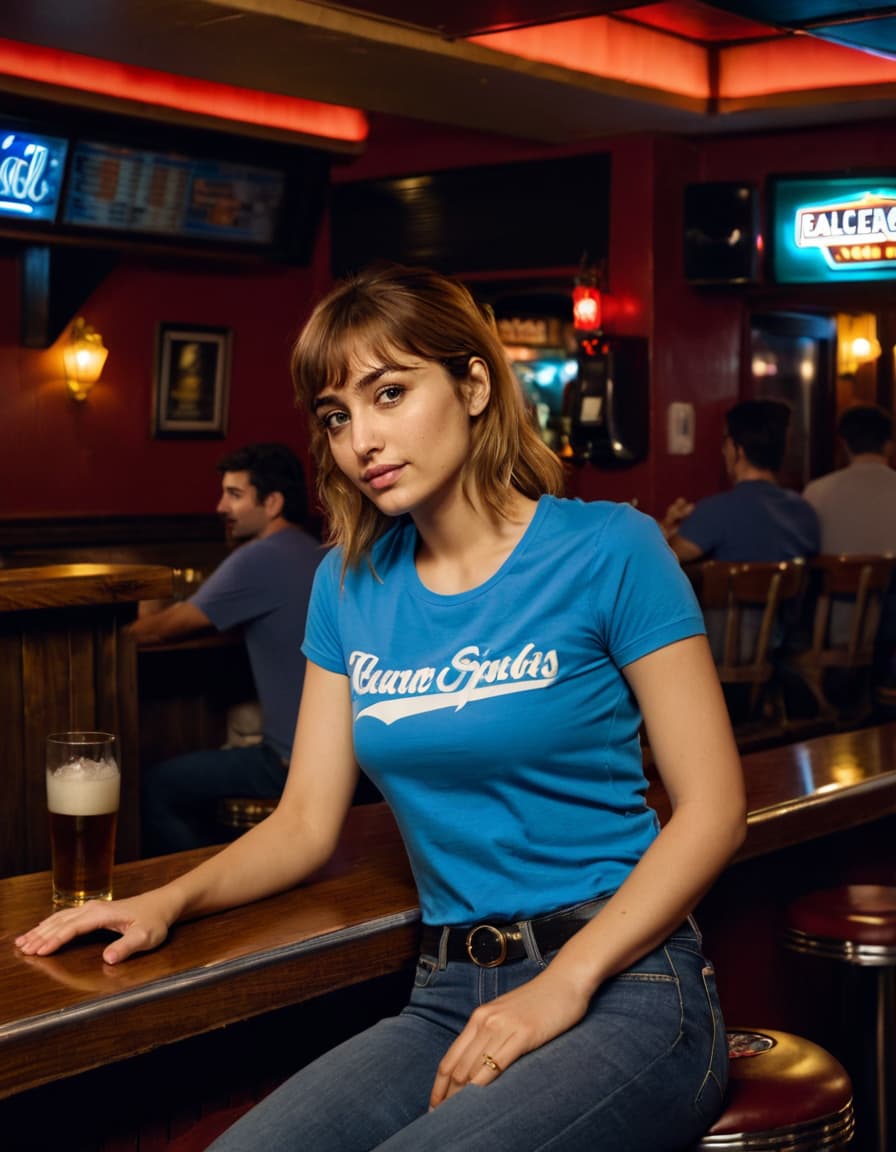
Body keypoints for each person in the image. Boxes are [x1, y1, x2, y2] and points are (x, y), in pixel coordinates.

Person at [17, 265, 746, 1152]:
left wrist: (567, 981)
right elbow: (304, 823)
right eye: (336, 416)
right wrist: (167, 900)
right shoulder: (348, 584)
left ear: (474, 384)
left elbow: (714, 809)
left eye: (390, 393)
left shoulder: (610, 548)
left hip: (629, 984)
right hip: (446, 990)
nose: (361, 438)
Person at [132, 442, 323, 854]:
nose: (221, 506)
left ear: (272, 503)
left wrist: (147, 596)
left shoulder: (257, 558)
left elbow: (151, 632)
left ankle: (207, 885)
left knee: (153, 787)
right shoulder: (317, 551)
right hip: (343, 763)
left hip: (290, 764)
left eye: (235, 495)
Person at [661, 399, 820, 564]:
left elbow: (666, 557)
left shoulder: (717, 511)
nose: (723, 450)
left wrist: (666, 527)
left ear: (739, 450)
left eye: (725, 439)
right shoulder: (805, 512)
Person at [802, 404, 896, 675]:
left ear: (844, 444)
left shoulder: (816, 492)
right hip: (887, 632)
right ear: (889, 445)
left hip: (831, 627)